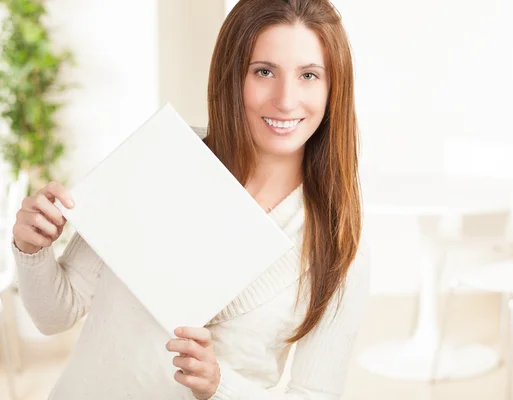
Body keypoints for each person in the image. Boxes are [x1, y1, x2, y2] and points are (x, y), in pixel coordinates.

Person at [11, 0, 370, 398]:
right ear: (232, 75)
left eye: (308, 75)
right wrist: (32, 250)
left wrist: (221, 387)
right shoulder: (161, 161)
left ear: (333, 87)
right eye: (264, 71)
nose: (285, 100)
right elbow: (55, 315)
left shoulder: (338, 244)